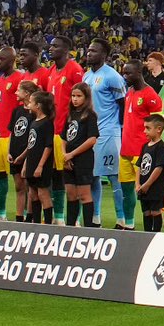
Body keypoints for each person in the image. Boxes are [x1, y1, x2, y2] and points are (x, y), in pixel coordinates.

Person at [80, 40, 125, 229]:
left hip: (108, 132)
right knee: (93, 176)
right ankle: (95, 217)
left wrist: (119, 129)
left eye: (93, 51)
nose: (89, 54)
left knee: (114, 176)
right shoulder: (86, 76)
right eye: (88, 50)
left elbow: (122, 104)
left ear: (104, 54)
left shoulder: (112, 76)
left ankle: (122, 219)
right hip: (91, 133)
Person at [117, 55, 164, 233]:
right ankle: (129, 224)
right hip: (126, 149)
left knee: (147, 193)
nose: (125, 76)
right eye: (123, 73)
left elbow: (158, 124)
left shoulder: (150, 95)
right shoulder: (130, 92)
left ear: (139, 73)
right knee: (127, 189)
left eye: (128, 73)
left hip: (142, 151)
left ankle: (153, 233)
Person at [0, 45, 25, 220]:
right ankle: (1, 214)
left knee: (19, 180)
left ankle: (23, 214)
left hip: (14, 137)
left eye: (1, 59)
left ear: (12, 60)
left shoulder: (21, 79)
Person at [62, 85, 100, 227]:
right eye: (73, 96)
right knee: (71, 194)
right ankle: (70, 226)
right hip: (68, 160)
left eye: (79, 96)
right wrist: (65, 155)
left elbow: (92, 139)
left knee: (84, 194)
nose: (75, 99)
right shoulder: (70, 115)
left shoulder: (90, 115)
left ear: (86, 98)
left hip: (83, 159)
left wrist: (72, 154)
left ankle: (88, 227)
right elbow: (64, 138)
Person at [23, 89, 56, 223]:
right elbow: (31, 146)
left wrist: (40, 166)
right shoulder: (33, 122)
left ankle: (48, 223)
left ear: (38, 105)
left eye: (30, 102)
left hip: (41, 165)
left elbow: (48, 146)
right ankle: (35, 222)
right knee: (33, 194)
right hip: (31, 162)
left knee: (43, 193)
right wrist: (26, 164)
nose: (28, 105)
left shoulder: (47, 123)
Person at [137, 114, 164, 234]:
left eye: (147, 128)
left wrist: (147, 184)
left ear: (158, 129)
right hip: (142, 186)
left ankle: (156, 235)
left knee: (155, 211)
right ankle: (147, 235)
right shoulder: (145, 146)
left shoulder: (161, 148)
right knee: (146, 211)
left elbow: (159, 168)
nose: (144, 131)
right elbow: (139, 166)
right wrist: (138, 184)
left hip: (155, 186)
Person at [5, 83, 35, 221]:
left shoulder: (34, 113)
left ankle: (30, 216)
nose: (16, 93)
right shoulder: (16, 111)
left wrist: (25, 155)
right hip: (14, 155)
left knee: (30, 187)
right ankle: (18, 217)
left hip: (27, 155)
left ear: (27, 93)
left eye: (19, 90)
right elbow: (12, 132)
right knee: (19, 187)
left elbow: (33, 137)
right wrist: (8, 151)